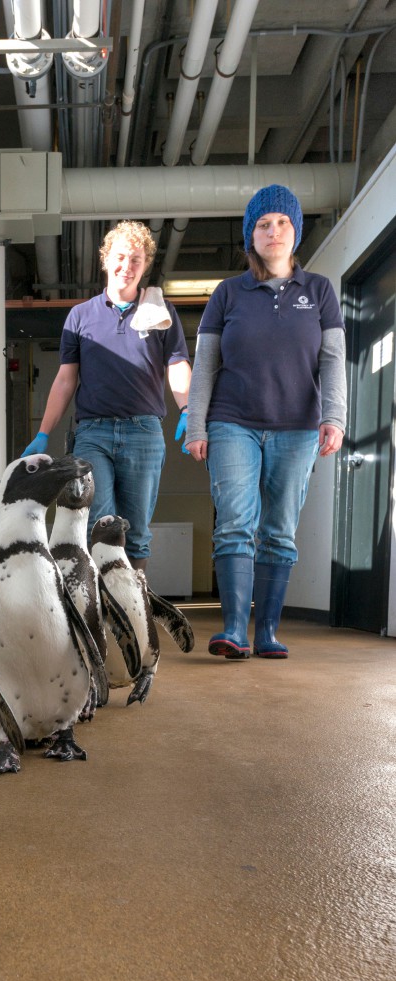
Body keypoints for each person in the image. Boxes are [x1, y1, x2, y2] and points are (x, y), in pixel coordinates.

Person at [185, 184, 346, 659]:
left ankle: (269, 631)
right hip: (232, 422)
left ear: (294, 232)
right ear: (249, 235)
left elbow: (333, 360)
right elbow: (205, 366)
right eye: (262, 224)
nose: (272, 231)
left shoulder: (318, 291)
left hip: (297, 426)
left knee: (279, 528)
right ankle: (234, 629)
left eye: (282, 223)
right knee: (235, 522)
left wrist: (334, 416)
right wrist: (197, 426)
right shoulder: (228, 293)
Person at [22, 220, 192, 569]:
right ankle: (100, 609)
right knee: (98, 523)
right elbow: (66, 380)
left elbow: (176, 365)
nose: (126, 266)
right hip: (93, 434)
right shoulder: (80, 316)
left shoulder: (160, 313)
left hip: (143, 432)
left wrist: (188, 408)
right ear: (105, 259)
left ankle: (134, 607)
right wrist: (43, 432)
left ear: (145, 266)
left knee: (138, 530)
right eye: (120, 257)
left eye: (136, 259)